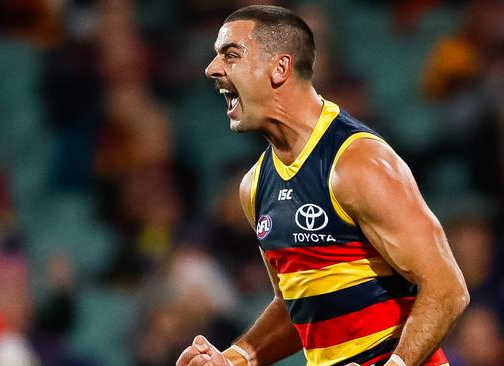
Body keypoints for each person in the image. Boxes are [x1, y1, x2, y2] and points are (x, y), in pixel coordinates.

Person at [176, 5, 469, 366]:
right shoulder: (254, 185)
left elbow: (447, 288)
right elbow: (296, 307)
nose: (212, 68)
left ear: (279, 68)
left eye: (230, 54)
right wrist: (235, 358)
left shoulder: (357, 162)